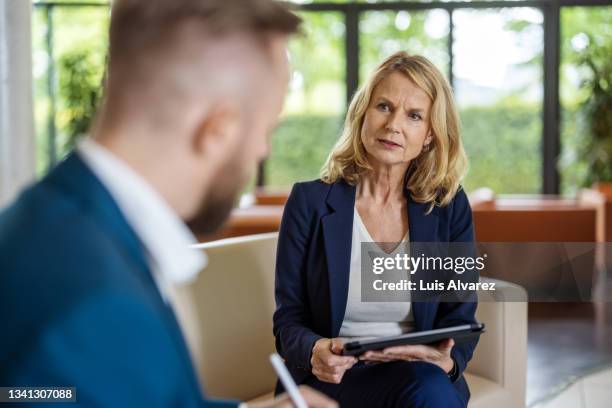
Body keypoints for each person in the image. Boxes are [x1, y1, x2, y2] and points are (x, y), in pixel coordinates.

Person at [0, 1, 336, 407]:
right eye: (266, 129)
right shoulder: (93, 307)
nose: (262, 150)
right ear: (218, 129)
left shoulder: (56, 224)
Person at [273, 51, 478, 407]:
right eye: (384, 106)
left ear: (429, 135)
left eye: (414, 116)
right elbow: (288, 319)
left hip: (417, 373)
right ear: (362, 114)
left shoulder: (448, 207)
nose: (393, 125)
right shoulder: (308, 202)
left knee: (428, 388)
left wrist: (449, 360)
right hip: (331, 377)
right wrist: (315, 349)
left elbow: (460, 314)